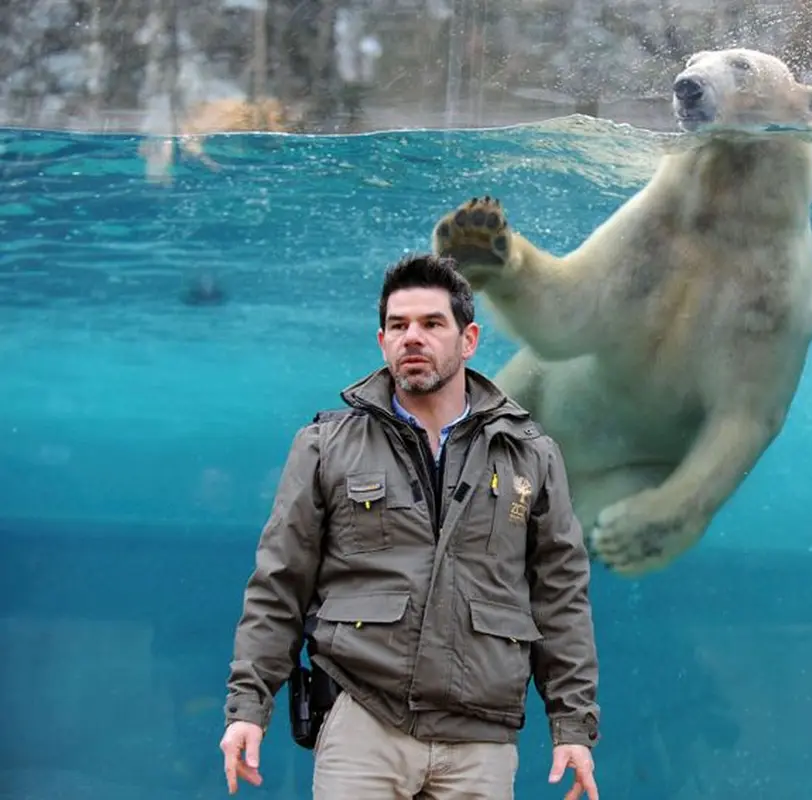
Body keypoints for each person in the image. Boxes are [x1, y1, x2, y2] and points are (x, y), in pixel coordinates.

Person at [219, 253, 601, 800]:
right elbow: (279, 585)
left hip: (481, 737)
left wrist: (573, 725)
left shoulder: (531, 455)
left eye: (431, 324)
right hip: (363, 718)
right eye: (398, 326)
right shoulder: (326, 446)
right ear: (381, 341)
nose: (412, 338)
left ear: (468, 339)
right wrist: (248, 708)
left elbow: (560, 598)